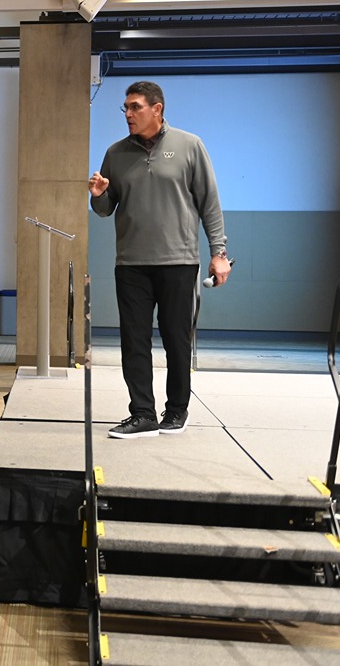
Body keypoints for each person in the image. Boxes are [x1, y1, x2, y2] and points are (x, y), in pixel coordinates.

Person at [89, 80, 230, 440]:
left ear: (157, 109)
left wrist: (219, 253)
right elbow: (106, 210)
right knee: (134, 340)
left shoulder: (189, 146)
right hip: (131, 263)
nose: (128, 114)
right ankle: (142, 414)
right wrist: (99, 197)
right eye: (126, 108)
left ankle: (177, 410)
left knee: (176, 340)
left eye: (135, 107)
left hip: (178, 262)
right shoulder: (115, 153)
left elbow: (209, 204)